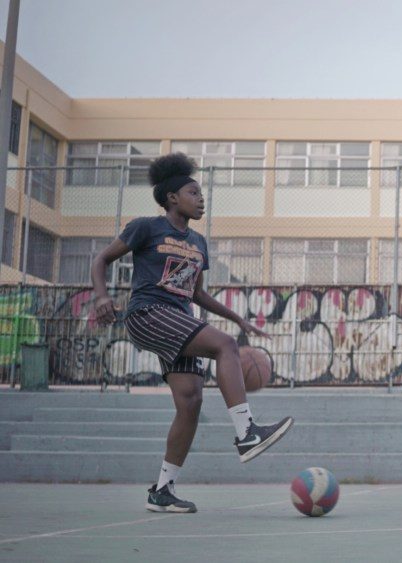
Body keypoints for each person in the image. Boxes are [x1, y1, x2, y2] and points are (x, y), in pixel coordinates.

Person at [91, 152, 294, 513]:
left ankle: (162, 490)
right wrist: (103, 296)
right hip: (149, 313)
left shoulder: (199, 243)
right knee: (225, 346)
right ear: (173, 198)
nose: (201, 199)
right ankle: (247, 434)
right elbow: (101, 259)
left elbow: (197, 294)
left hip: (179, 321)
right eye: (194, 193)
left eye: (201, 195)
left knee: (190, 403)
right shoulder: (146, 227)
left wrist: (238, 318)